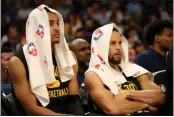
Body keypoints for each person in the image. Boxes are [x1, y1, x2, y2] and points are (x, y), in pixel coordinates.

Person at [8, 5, 84, 115]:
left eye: (57, 23)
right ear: (36, 28)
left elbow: (74, 100)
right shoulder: (17, 62)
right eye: (50, 24)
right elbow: (32, 109)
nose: (57, 28)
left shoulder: (69, 56)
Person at [84, 23, 165, 115]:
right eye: (112, 43)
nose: (118, 47)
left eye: (120, 43)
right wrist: (145, 105)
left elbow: (160, 96)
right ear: (101, 47)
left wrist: (128, 94)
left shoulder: (134, 68)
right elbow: (112, 108)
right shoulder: (93, 76)